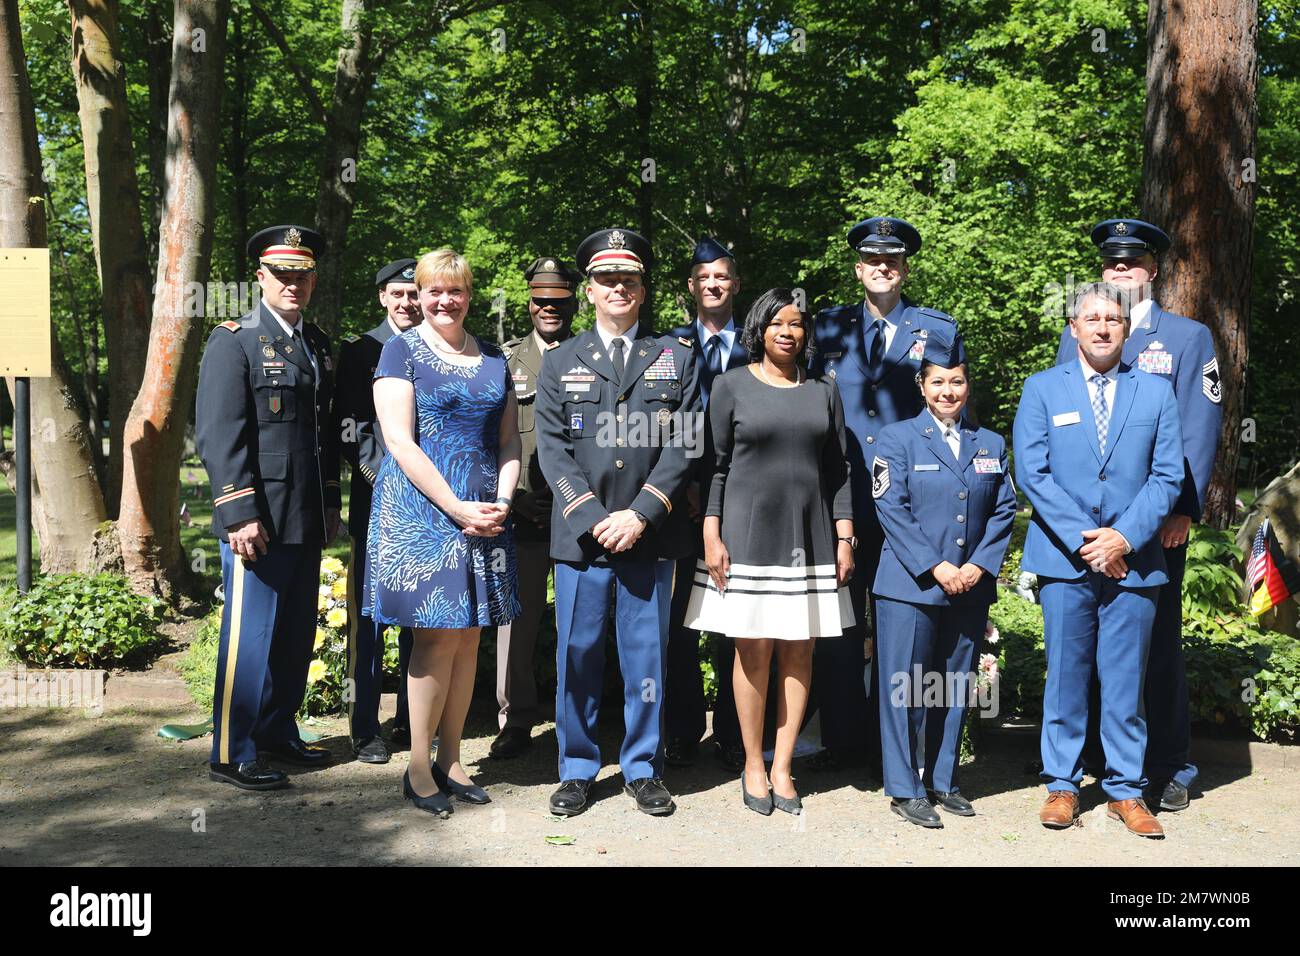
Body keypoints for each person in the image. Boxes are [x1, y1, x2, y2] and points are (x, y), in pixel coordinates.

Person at [1055, 220, 1223, 813]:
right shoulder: (1077, 331)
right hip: (1087, 529)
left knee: (1158, 643)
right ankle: (1095, 759)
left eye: (1132, 262)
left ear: (1153, 270)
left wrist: (1181, 510)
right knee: (1089, 641)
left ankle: (1169, 763)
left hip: (1155, 525)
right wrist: (1076, 523)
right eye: (1111, 263)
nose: (1120, 271)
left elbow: (1199, 430)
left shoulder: (1187, 337)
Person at [535, 228, 701, 817]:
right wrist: (595, 517)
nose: (618, 288)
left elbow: (686, 443)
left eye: (628, 279)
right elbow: (551, 450)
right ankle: (577, 767)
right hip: (583, 539)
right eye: (607, 279)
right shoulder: (559, 361)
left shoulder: (676, 358)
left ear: (643, 288)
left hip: (649, 536)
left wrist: (642, 513)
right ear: (589, 290)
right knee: (576, 655)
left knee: (645, 657)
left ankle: (643, 768)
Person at [1014, 281, 1182, 838]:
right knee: (1065, 674)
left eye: (1113, 319)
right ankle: (1062, 783)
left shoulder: (1156, 393)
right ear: (1073, 328)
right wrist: (1093, 542)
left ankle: (1125, 790)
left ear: (1126, 331)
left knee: (1125, 680)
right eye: (1092, 319)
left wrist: (1124, 539)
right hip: (1065, 560)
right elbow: (1032, 473)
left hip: (1135, 562)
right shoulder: (1041, 389)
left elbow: (1167, 477)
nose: (1104, 327)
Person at [684, 288, 855, 816]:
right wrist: (711, 535)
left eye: (798, 324)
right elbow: (713, 467)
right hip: (745, 535)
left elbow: (840, 471)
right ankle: (752, 764)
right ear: (759, 330)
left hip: (811, 537)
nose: (789, 331)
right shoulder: (729, 386)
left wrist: (845, 535)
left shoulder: (824, 390)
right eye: (778, 323)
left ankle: (783, 767)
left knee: (800, 651)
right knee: (752, 651)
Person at [363, 248, 522, 816]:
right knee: (435, 636)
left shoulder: (495, 358)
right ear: (421, 295)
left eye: (454, 291)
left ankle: (452, 760)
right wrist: (456, 505)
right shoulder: (398, 351)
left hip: (486, 513)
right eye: (433, 291)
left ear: (468, 295)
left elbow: (508, 440)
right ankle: (417, 768)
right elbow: (399, 441)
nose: (443, 300)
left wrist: (501, 499)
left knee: (471, 635)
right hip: (425, 513)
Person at [807, 217, 964, 771]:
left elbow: (955, 413)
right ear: (858, 269)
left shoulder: (937, 330)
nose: (883, 267)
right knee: (842, 625)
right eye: (873, 260)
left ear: (904, 268)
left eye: (893, 260)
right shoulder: (826, 329)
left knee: (907, 623)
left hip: (912, 505)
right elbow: (809, 408)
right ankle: (845, 741)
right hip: (841, 494)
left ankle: (895, 746)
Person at [196, 224, 341, 790]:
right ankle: (233, 751)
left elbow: (323, 437)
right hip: (257, 518)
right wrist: (238, 513)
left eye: (302, 275)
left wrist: (330, 504)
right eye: (282, 274)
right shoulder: (233, 341)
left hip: (304, 515)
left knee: (295, 632)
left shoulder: (318, 344)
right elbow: (218, 434)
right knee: (248, 636)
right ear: (261, 277)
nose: (293, 284)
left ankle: (279, 732)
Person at [871, 335, 1016, 827]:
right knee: (906, 686)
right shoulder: (896, 439)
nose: (948, 391)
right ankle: (905, 786)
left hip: (970, 585)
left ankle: (943, 779)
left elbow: (1004, 509)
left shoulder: (991, 443)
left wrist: (978, 565)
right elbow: (891, 507)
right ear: (922, 386)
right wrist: (937, 567)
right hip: (910, 585)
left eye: (956, 381)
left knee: (953, 686)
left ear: (967, 385)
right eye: (938, 382)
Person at [664, 236, 749, 772]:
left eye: (722, 277)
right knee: (678, 622)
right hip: (676, 500)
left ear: (735, 285)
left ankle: (734, 733)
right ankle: (682, 729)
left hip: (742, 498)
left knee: (732, 614)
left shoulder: (761, 343)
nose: (713, 285)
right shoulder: (668, 346)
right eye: (704, 278)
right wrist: (686, 485)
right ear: (691, 287)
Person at [491, 256, 580, 759]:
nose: (549, 308)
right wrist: (515, 502)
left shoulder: (592, 356)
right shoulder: (503, 362)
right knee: (516, 623)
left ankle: (575, 718)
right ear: (528, 302)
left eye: (559, 301)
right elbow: (491, 439)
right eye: (540, 301)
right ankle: (515, 718)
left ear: (572, 301)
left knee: (576, 623)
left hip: (577, 515)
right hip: (520, 512)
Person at [332, 258, 421, 763]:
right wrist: (387, 475)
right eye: (399, 294)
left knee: (418, 612)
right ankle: (365, 726)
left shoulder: (434, 347)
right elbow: (348, 427)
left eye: (415, 293)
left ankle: (412, 718)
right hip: (379, 498)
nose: (408, 303)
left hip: (429, 502)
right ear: (383, 298)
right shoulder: (360, 351)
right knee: (368, 617)